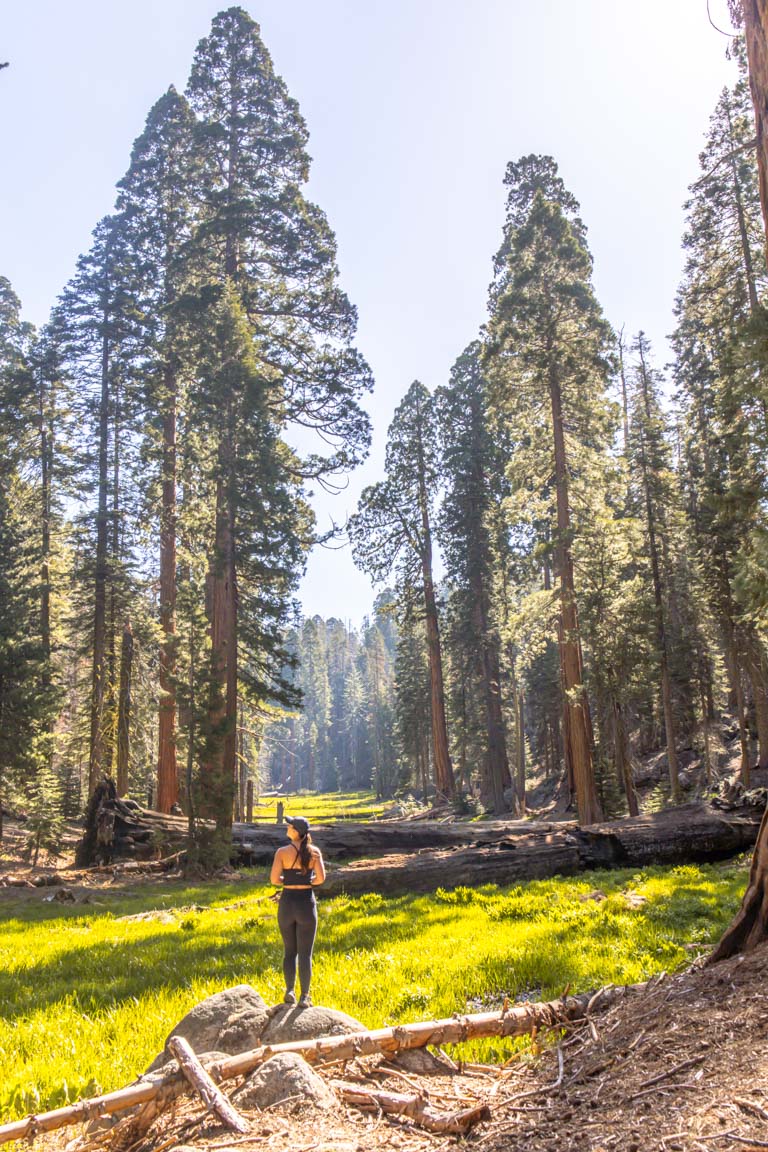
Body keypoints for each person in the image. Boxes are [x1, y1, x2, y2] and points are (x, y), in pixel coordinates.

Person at [270, 815, 326, 1007]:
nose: (287, 826)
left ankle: (290, 991)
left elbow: (274, 880)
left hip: (287, 903)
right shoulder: (314, 852)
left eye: (290, 825)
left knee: (289, 952)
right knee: (305, 954)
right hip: (306, 904)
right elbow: (320, 879)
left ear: (296, 832)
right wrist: (306, 881)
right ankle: (305, 996)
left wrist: (288, 880)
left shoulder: (281, 853)